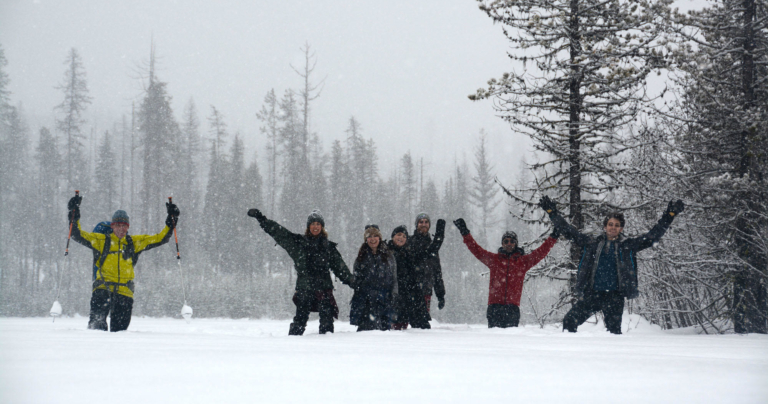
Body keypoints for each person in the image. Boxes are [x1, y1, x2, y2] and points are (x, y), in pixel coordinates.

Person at [538, 196, 685, 334]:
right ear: (605, 227)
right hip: (593, 294)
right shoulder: (592, 244)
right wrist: (552, 213)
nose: (613, 227)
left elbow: (652, 236)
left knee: (613, 333)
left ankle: (611, 354)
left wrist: (669, 215)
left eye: (617, 225)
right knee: (569, 321)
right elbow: (569, 231)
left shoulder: (627, 246)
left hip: (614, 297)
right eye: (610, 224)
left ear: (621, 229)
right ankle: (573, 351)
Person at [67, 194, 179, 332]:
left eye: (124, 226)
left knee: (120, 334)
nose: (121, 229)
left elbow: (161, 238)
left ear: (128, 227)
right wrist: (74, 214)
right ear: (112, 226)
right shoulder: (101, 240)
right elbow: (76, 234)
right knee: (96, 329)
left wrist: (171, 221)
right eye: (118, 225)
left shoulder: (134, 243)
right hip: (102, 290)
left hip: (124, 294)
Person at [248, 208, 355, 335]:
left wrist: (353, 282)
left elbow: (340, 268)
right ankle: (293, 343)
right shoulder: (298, 243)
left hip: (324, 288)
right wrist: (262, 219)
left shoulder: (328, 247)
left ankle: (327, 344)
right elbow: (280, 232)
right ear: (308, 226)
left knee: (327, 322)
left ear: (322, 227)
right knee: (300, 320)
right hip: (305, 288)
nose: (315, 227)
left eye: (318, 224)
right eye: (313, 224)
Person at [453, 218, 559, 328]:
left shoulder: (523, 262)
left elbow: (541, 252)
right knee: (494, 338)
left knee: (511, 338)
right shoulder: (494, 260)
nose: (509, 243)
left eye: (512, 241)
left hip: (512, 309)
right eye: (506, 241)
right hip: (494, 308)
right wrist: (465, 233)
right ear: (502, 244)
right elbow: (476, 250)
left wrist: (553, 237)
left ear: (516, 244)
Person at [388, 222, 445, 329]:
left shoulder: (411, 252)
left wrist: (439, 236)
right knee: (395, 331)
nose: (401, 238)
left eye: (404, 236)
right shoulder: (386, 253)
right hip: (394, 298)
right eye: (399, 235)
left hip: (413, 297)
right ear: (393, 237)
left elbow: (430, 252)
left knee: (422, 329)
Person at [349, 225, 398, 331]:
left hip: (385, 300)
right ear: (366, 239)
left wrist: (394, 295)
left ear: (379, 237)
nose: (372, 239)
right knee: (366, 333)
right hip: (366, 302)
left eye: (375, 235)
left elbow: (394, 278)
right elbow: (356, 279)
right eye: (369, 236)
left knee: (384, 333)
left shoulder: (389, 256)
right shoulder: (361, 257)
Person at [409, 213, 447, 314]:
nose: (423, 224)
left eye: (426, 222)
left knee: (423, 321)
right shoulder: (409, 241)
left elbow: (436, 271)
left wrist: (440, 295)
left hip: (426, 291)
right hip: (410, 290)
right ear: (416, 224)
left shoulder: (432, 244)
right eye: (421, 222)